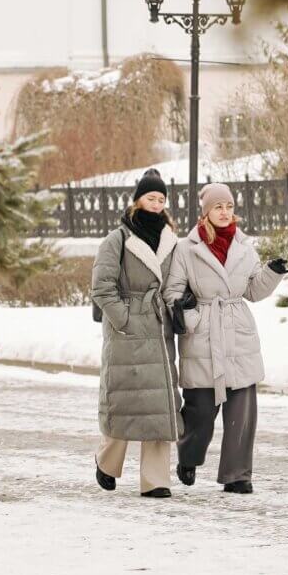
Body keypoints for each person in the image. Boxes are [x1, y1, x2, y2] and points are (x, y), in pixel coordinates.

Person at [163, 183, 287, 494]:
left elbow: (253, 291)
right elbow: (173, 291)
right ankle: (188, 456)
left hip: (237, 335)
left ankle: (237, 474)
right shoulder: (186, 248)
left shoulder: (245, 247)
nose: (224, 212)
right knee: (200, 412)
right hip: (203, 336)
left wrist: (272, 273)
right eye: (218, 207)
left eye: (229, 207)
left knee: (242, 413)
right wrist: (190, 315)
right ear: (205, 211)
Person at [91, 169, 183, 498]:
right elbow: (101, 288)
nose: (156, 204)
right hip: (127, 331)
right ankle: (107, 463)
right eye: (150, 197)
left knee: (159, 405)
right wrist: (125, 320)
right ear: (137, 201)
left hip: (159, 328)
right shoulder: (117, 239)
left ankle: (156, 480)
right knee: (127, 401)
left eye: (161, 199)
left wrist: (180, 307)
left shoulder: (172, 240)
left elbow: (177, 281)